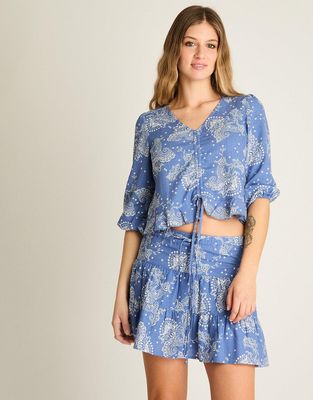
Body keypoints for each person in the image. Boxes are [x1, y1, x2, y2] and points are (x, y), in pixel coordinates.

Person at [111, 5, 280, 400]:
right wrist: (121, 294)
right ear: (176, 49)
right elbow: (136, 214)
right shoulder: (151, 125)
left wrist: (248, 273)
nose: (201, 54)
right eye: (191, 43)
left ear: (220, 53)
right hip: (160, 269)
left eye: (211, 45)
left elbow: (260, 194)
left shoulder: (245, 111)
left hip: (226, 267)